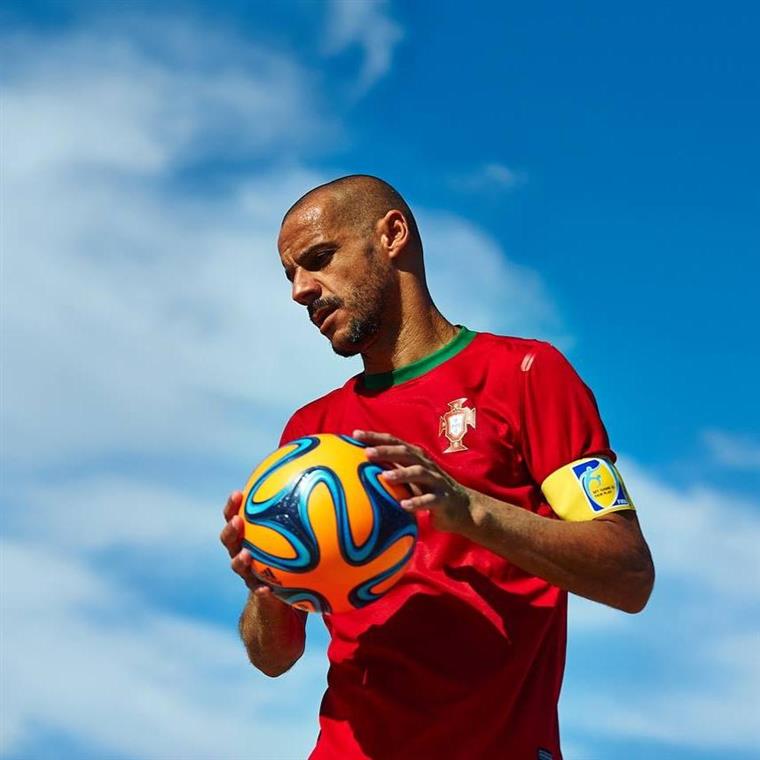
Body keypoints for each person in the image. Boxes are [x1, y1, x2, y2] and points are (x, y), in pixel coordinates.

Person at [219, 175, 655, 760]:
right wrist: (268, 582)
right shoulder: (310, 434)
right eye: (290, 275)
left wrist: (471, 511)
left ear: (392, 235)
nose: (300, 290)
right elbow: (274, 658)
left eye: (318, 259)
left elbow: (629, 575)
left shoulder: (527, 375)